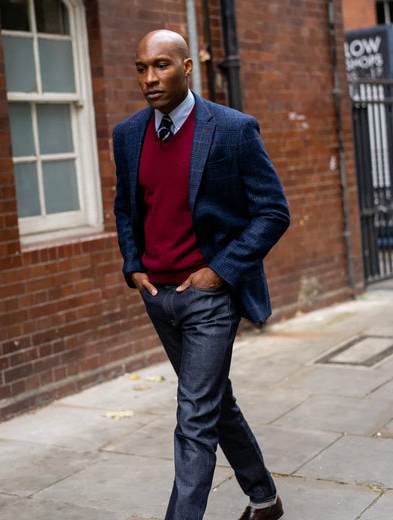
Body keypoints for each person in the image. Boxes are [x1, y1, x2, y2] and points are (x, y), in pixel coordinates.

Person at [113, 29, 290, 520]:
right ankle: (265, 499)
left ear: (187, 67)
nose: (150, 78)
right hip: (159, 297)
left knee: (194, 417)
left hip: (208, 297)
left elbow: (273, 212)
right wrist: (133, 266)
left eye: (162, 66)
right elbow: (126, 209)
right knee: (214, 403)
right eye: (142, 67)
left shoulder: (232, 129)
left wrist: (221, 271)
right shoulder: (128, 134)